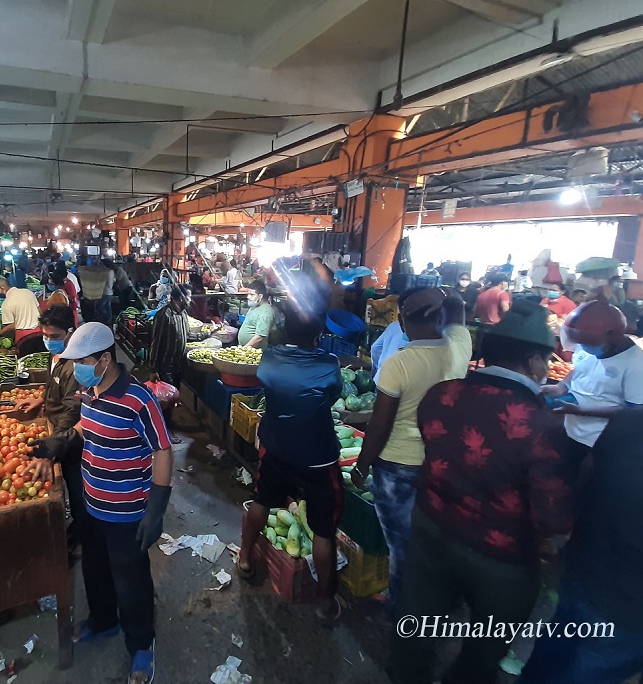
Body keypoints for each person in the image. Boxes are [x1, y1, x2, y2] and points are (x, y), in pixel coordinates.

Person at [390, 302, 574, 684]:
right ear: (534, 361)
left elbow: (431, 443)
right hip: (500, 556)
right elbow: (551, 516)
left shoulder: (442, 395)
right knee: (486, 644)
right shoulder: (542, 424)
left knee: (417, 619)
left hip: (432, 527)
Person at [59, 322, 173, 684]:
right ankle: (103, 620)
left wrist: (156, 508)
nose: (75, 369)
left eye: (82, 361)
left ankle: (141, 645)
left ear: (105, 359)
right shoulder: (90, 389)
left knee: (131, 580)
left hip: (126, 510)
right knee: (95, 569)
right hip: (92, 502)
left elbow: (163, 450)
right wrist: (64, 440)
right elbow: (86, 426)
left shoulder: (139, 399)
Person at [350, 288, 472, 612]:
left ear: (402, 321)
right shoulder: (460, 346)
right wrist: (445, 299)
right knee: (431, 534)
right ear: (442, 317)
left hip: (397, 465)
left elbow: (379, 425)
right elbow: (459, 306)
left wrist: (361, 467)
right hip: (440, 462)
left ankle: (400, 609)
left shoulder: (399, 364)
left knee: (401, 544)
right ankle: (436, 598)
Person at [237, 273, 344, 623]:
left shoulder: (270, 359)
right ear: (318, 333)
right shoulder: (329, 365)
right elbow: (331, 398)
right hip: (317, 458)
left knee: (262, 502)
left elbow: (269, 385)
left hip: (277, 449)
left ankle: (244, 558)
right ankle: (326, 602)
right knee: (324, 529)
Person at [518, 406, 643, 684]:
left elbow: (584, 477)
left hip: (583, 568)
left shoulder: (634, 418)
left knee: (550, 655)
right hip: (630, 609)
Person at [541, 301, 643, 447]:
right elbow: (580, 368)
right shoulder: (588, 344)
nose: (583, 347)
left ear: (612, 334)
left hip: (600, 440)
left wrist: (583, 411)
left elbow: (634, 412)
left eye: (588, 344)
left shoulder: (638, 364)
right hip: (570, 429)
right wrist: (562, 386)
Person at [20, 305, 85, 540]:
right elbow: (52, 384)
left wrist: (52, 447)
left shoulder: (76, 365)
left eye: (55, 336)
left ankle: (82, 536)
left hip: (68, 435)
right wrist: (42, 398)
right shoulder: (56, 355)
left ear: (70, 331)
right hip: (54, 426)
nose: (48, 341)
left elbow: (71, 411)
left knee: (77, 488)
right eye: (45, 335)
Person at [149, 286, 189, 433]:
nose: (190, 300)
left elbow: (188, 335)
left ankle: (167, 426)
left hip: (179, 365)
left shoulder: (183, 314)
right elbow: (156, 342)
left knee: (174, 396)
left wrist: (210, 332)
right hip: (165, 366)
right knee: (166, 400)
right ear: (178, 298)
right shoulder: (164, 315)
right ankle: (162, 431)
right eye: (188, 297)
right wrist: (153, 368)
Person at [0, 276, 41, 352]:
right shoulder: (27, 292)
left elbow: (11, 326)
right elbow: (39, 312)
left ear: (2, 288)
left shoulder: (6, 303)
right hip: (39, 333)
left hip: (24, 337)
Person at [238, 279, 275, 349]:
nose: (248, 297)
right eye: (248, 294)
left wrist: (244, 349)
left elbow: (259, 337)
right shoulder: (254, 307)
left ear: (260, 296)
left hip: (253, 352)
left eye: (251, 294)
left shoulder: (265, 313)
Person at [100, 258, 117, 324]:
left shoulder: (109, 272)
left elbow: (110, 283)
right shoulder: (110, 271)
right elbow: (114, 280)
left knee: (100, 306)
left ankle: (107, 318)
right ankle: (108, 319)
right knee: (108, 306)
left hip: (106, 291)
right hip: (109, 292)